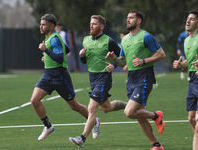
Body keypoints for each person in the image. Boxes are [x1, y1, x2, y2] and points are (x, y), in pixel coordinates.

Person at [105, 10, 166, 150]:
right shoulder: (125, 39)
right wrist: (114, 59)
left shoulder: (146, 36)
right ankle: (156, 145)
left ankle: (156, 116)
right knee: (139, 116)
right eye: (127, 18)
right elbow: (123, 62)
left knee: (129, 112)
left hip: (144, 76)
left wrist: (144, 61)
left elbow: (161, 54)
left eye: (131, 18)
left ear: (139, 21)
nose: (128, 20)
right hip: (131, 78)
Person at [30, 14, 92, 141]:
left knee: (74, 106)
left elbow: (59, 58)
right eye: (40, 24)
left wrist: (46, 51)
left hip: (59, 76)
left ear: (52, 26)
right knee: (34, 100)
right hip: (48, 75)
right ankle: (48, 126)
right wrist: (48, 56)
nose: (41, 27)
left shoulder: (53, 39)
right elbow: (66, 50)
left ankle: (94, 121)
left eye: (44, 24)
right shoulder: (50, 38)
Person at [69, 15, 127, 148]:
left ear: (101, 26)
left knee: (91, 108)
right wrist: (82, 56)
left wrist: (115, 65)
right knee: (107, 108)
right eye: (91, 23)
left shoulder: (109, 42)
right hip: (93, 78)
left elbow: (123, 58)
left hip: (104, 78)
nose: (91, 26)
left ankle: (82, 138)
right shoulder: (86, 40)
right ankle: (129, 105)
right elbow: (85, 61)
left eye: (94, 24)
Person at [173, 10, 198, 150]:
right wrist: (180, 64)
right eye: (187, 19)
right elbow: (189, 62)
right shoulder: (187, 40)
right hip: (192, 80)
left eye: (192, 19)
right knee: (191, 119)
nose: (188, 21)